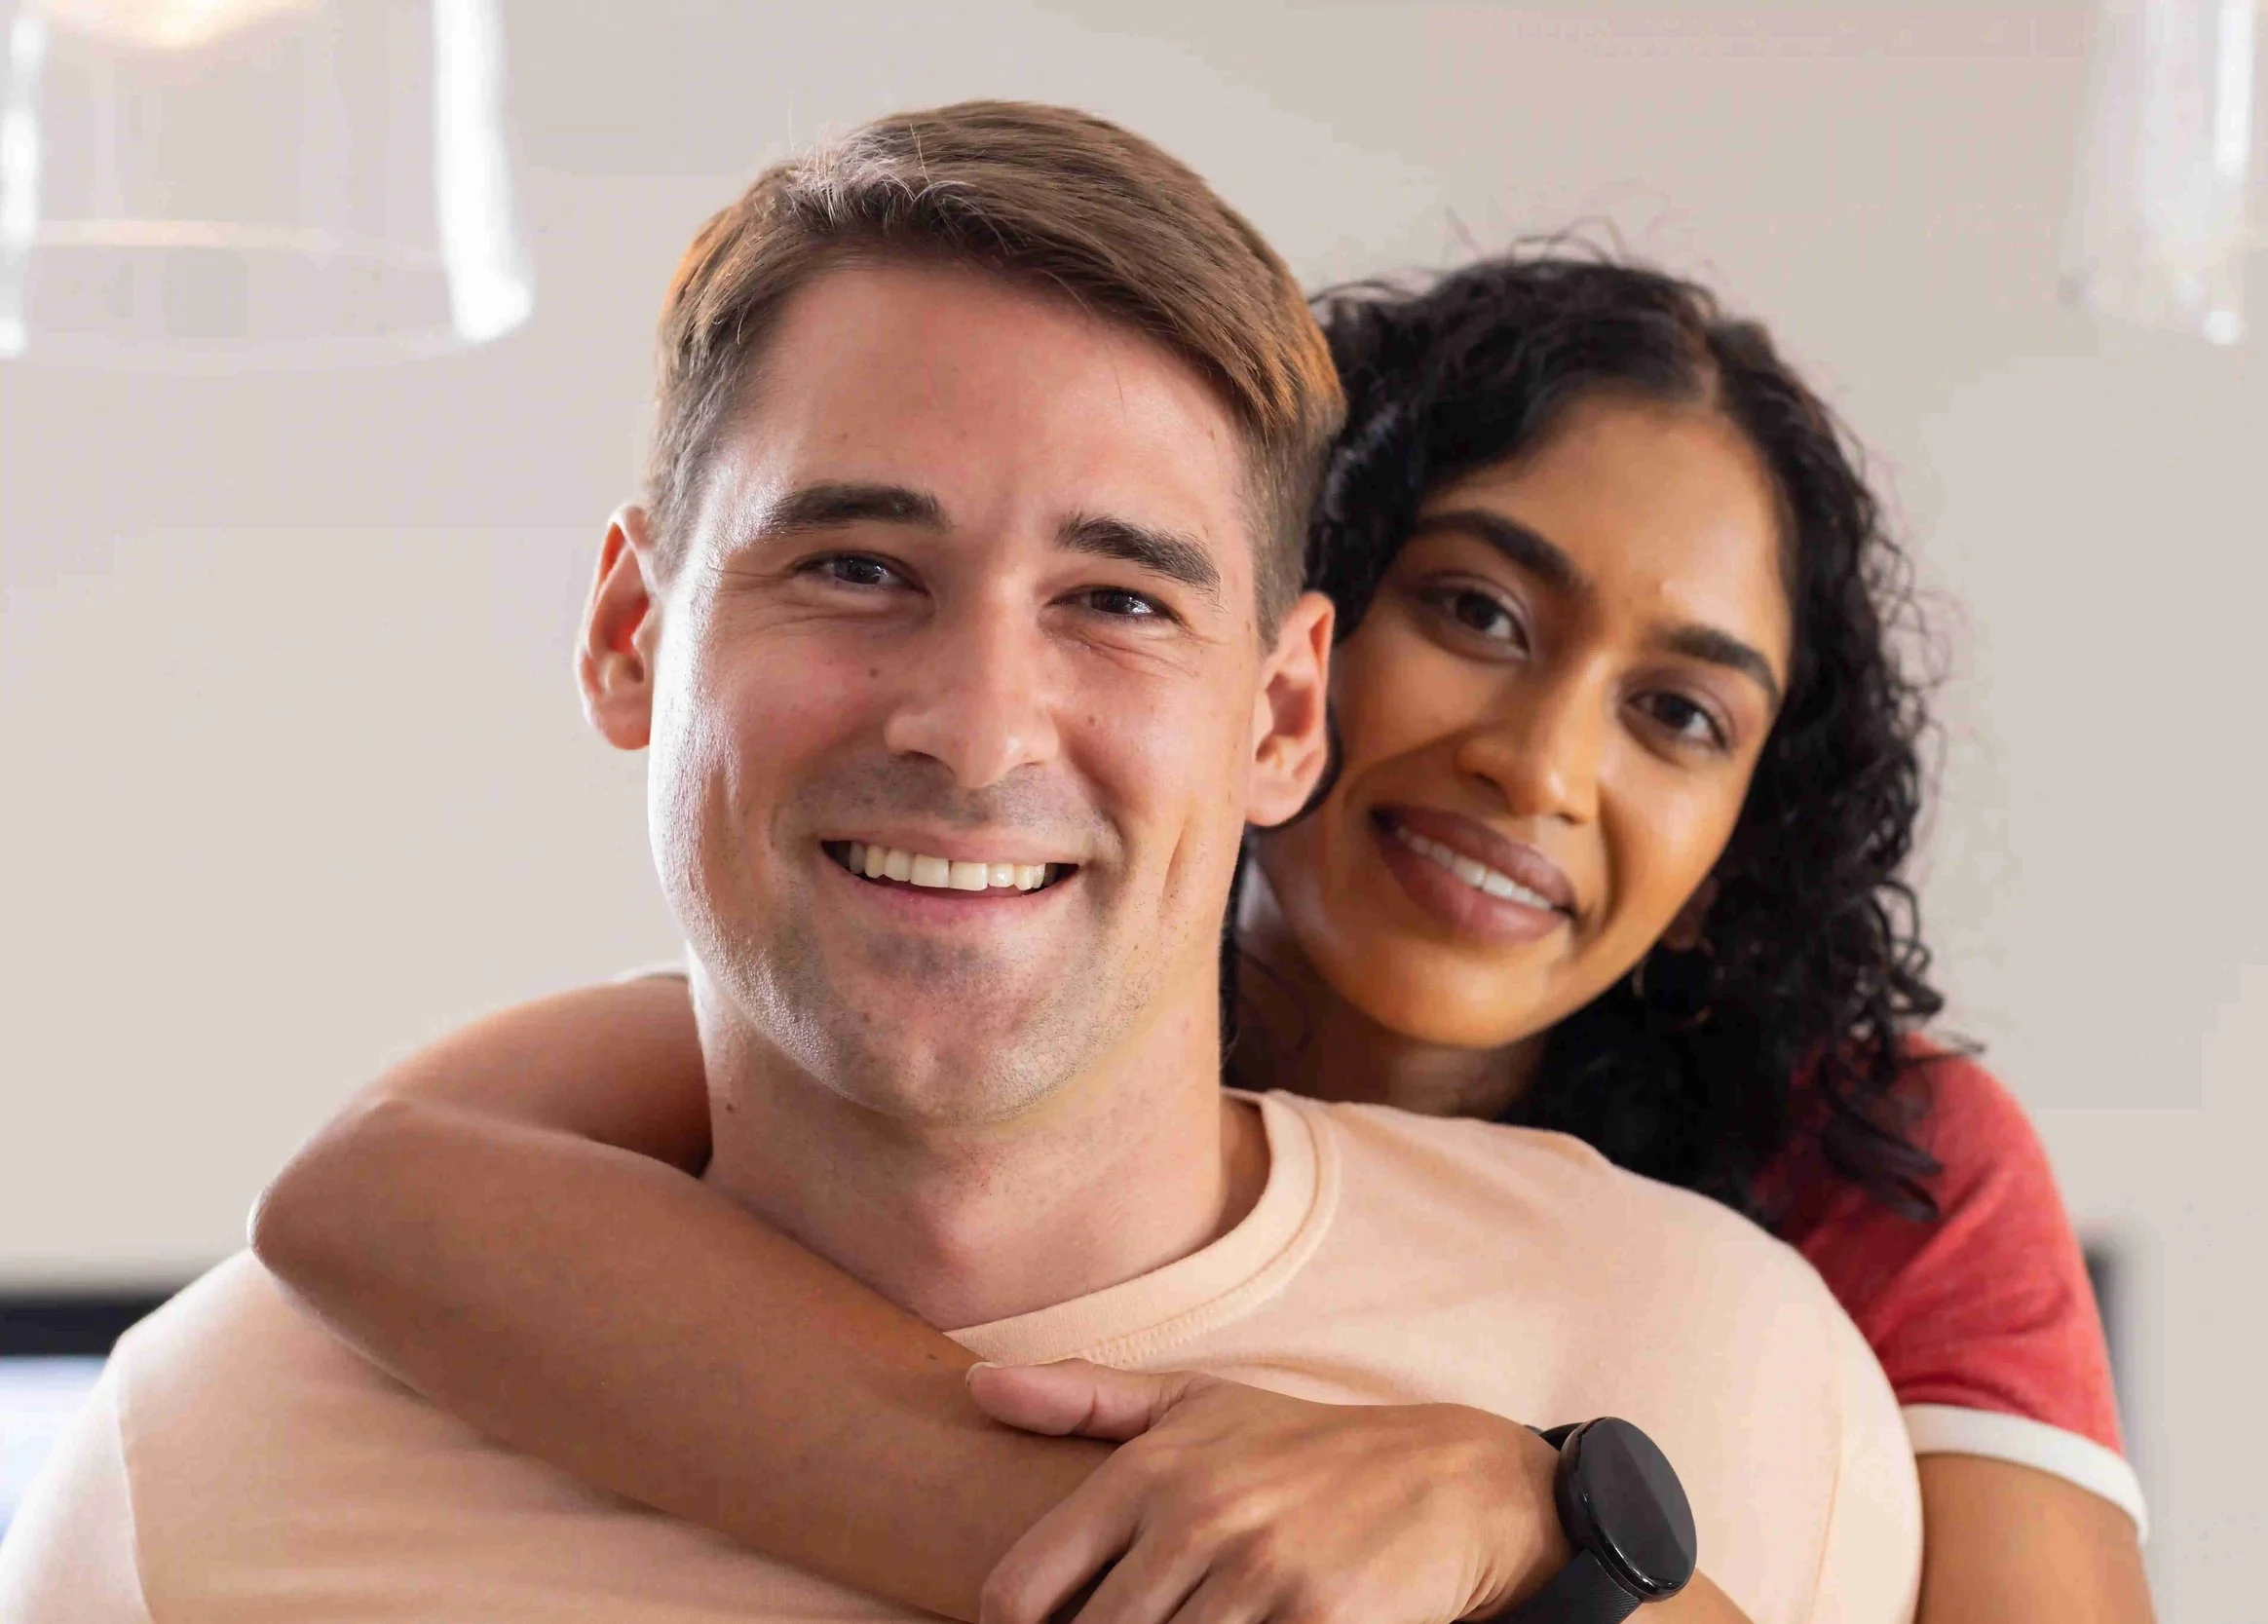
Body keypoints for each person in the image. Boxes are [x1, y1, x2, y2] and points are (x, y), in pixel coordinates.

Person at [0, 103, 1921, 1624]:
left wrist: (1540, 1539)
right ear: (628, 636)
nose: (977, 724)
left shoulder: (1707, 1367)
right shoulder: (206, 1454)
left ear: (1276, 714)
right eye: (855, 566)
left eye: (1114, 597)